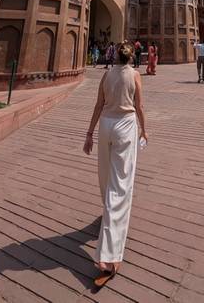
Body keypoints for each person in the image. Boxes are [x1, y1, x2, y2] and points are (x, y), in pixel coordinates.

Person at [83, 41, 147, 287]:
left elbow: (98, 105)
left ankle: (107, 212)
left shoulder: (106, 74)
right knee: (120, 187)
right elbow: (139, 106)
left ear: (115, 56)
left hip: (106, 126)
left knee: (105, 176)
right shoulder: (134, 75)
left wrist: (89, 133)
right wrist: (145, 130)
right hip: (125, 126)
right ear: (131, 58)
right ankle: (109, 257)